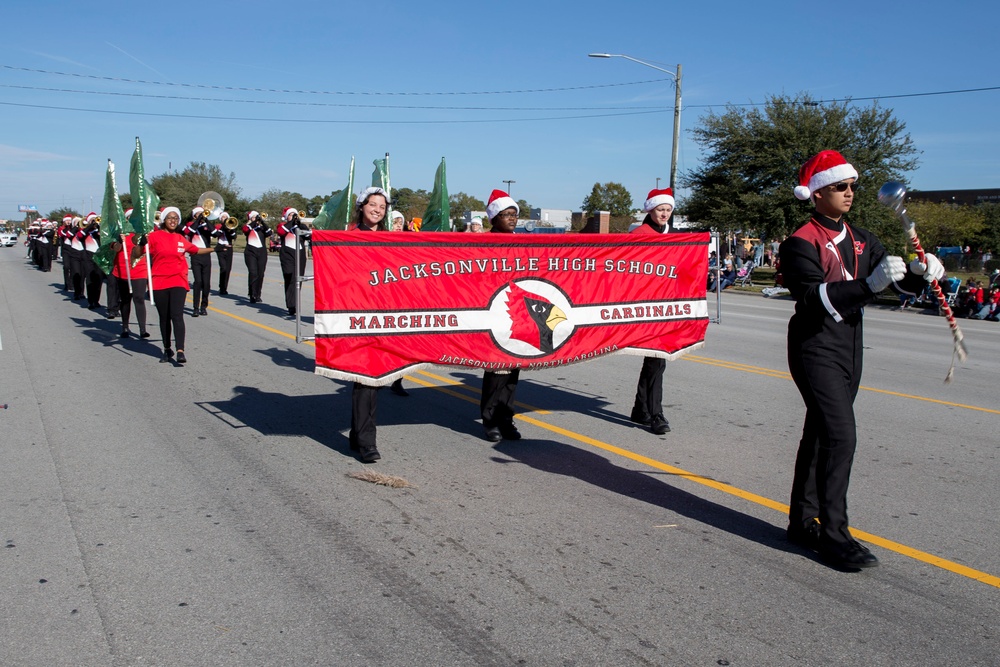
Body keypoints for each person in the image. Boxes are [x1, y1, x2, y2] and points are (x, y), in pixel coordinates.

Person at [781, 150, 943, 570]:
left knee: (821, 432)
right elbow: (813, 298)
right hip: (815, 344)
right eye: (840, 186)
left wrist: (920, 272)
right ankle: (835, 535)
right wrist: (870, 285)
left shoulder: (864, 238)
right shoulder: (800, 241)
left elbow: (897, 284)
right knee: (841, 435)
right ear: (817, 193)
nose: (849, 192)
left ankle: (802, 521)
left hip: (851, 343)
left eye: (852, 185)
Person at [347, 187, 393, 462]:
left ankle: (358, 435)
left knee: (374, 380)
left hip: (386, 317)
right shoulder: (348, 237)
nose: (377, 209)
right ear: (361, 206)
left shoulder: (391, 239)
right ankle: (367, 443)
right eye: (372, 204)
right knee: (366, 378)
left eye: (382, 206)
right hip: (359, 315)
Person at [136, 206, 214, 364]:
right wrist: (141, 243)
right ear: (164, 220)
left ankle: (180, 350)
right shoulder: (153, 236)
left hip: (178, 280)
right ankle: (166, 349)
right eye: (170, 218)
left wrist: (214, 249)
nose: (173, 221)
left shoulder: (180, 238)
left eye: (176, 218)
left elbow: (195, 250)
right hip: (159, 281)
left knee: (177, 315)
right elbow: (137, 254)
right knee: (164, 317)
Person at [627, 188, 674, 435]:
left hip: (667, 305)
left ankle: (640, 408)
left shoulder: (675, 236)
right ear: (650, 210)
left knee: (656, 361)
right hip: (644, 305)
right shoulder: (639, 235)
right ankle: (655, 414)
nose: (664, 214)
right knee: (656, 359)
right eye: (660, 209)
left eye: (668, 210)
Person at [480, 190, 524, 442]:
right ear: (494, 218)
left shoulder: (523, 243)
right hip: (494, 313)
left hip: (516, 314)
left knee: (513, 371)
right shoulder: (484, 242)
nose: (511, 219)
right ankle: (490, 420)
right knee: (496, 370)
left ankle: (506, 418)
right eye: (506, 214)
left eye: (514, 215)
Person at [110, 221, 150, 339]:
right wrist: (118, 240)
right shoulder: (119, 234)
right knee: (126, 299)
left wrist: (145, 240)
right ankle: (125, 327)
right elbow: (115, 249)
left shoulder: (142, 233)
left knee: (139, 298)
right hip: (123, 271)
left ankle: (142, 329)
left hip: (139, 270)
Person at [277, 207, 310, 317]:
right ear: (287, 216)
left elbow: (308, 235)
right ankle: (291, 304)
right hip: (287, 255)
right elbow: (281, 232)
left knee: (298, 280)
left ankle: (294, 305)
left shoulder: (300, 226)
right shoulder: (283, 225)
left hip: (300, 254)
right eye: (291, 215)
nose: (294, 216)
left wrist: (300, 224)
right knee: (289, 277)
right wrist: (291, 222)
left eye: (295, 214)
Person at [183, 206, 213, 317]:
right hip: (195, 255)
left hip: (206, 256)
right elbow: (188, 232)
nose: (201, 215)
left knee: (206, 283)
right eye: (199, 213)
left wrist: (207, 221)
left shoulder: (206, 226)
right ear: (194, 215)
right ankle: (195, 307)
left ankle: (203, 306)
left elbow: (215, 233)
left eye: (202, 213)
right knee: (198, 282)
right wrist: (197, 220)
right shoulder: (191, 225)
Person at [242, 210, 271, 304]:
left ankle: (258, 294)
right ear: (250, 218)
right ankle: (252, 294)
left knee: (260, 273)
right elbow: (245, 230)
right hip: (250, 252)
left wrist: (262, 221)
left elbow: (269, 232)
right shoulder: (248, 227)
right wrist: (253, 222)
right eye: (254, 217)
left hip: (262, 252)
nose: (256, 218)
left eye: (257, 217)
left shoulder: (261, 228)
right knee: (253, 272)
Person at [212, 212, 237, 295]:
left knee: (228, 269)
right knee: (223, 268)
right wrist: (223, 226)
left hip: (229, 248)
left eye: (226, 217)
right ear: (220, 218)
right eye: (223, 217)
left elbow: (234, 236)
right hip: (220, 247)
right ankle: (221, 286)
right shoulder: (218, 226)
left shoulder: (231, 226)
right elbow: (217, 234)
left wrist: (230, 229)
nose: (225, 218)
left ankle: (224, 287)